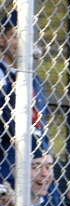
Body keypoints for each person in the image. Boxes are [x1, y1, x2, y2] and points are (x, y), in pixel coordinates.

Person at [0, 10, 51, 186]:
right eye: (15, 36)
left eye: (26, 37)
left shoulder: (34, 81)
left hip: (35, 163)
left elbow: (41, 122)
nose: (21, 44)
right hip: (5, 159)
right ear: (1, 40)